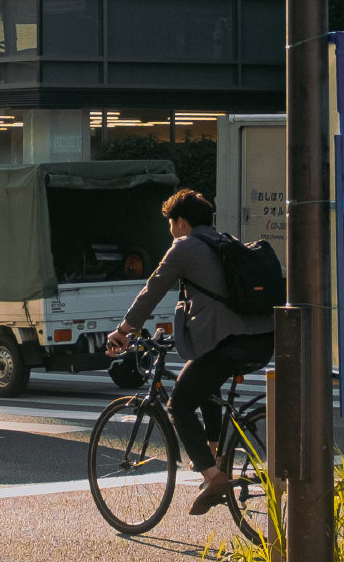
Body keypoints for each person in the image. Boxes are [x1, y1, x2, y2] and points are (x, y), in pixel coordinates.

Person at [106, 188, 276, 514]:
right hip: (260, 340)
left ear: (181, 222)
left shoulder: (184, 248)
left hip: (228, 343)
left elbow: (152, 290)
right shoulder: (225, 241)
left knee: (179, 404)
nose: (170, 231)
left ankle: (213, 477)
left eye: (171, 224)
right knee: (204, 379)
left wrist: (124, 331)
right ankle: (216, 455)